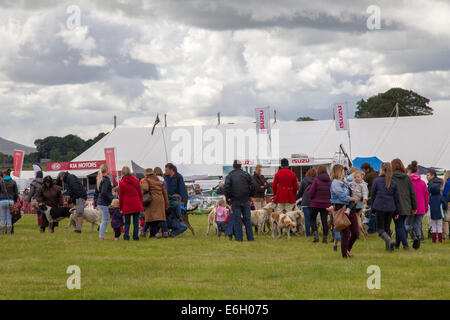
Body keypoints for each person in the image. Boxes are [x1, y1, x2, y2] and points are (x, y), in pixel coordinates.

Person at [330, 164, 358, 258]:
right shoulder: (335, 183)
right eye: (342, 170)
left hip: (350, 208)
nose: (344, 172)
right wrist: (352, 199)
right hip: (341, 209)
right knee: (345, 233)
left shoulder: (344, 180)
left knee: (355, 232)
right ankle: (344, 255)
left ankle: (347, 250)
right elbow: (341, 196)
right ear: (338, 171)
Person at [224, 160, 256, 242]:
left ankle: (239, 238)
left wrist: (228, 197)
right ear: (241, 165)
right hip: (245, 199)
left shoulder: (230, 175)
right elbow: (254, 184)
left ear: (233, 166)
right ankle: (250, 238)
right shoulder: (246, 174)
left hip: (235, 200)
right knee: (247, 220)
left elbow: (226, 187)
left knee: (237, 219)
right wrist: (250, 194)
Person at [371, 162, 400, 251]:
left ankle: (389, 242)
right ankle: (389, 249)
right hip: (390, 207)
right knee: (387, 228)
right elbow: (396, 198)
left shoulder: (376, 181)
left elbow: (373, 195)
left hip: (379, 206)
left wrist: (373, 209)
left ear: (382, 170)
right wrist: (397, 211)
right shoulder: (393, 182)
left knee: (380, 230)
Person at [391, 159, 417, 251]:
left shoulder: (391, 177)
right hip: (407, 204)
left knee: (399, 225)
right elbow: (412, 193)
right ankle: (397, 244)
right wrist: (414, 207)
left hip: (396, 204)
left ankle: (405, 245)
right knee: (401, 225)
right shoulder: (407, 178)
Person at [406, 161, 429, 250]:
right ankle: (418, 238)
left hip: (411, 206)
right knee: (418, 224)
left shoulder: (407, 182)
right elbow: (426, 195)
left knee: (407, 224)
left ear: (409, 170)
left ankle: (413, 236)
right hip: (421, 206)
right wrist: (426, 207)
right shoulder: (422, 182)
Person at [142, 168, 169, 238]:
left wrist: (143, 192)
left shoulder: (146, 180)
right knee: (162, 218)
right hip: (160, 200)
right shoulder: (159, 181)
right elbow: (165, 193)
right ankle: (165, 233)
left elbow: (145, 188)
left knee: (150, 218)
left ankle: (153, 234)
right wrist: (166, 204)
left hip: (151, 201)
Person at [119, 166, 143, 241]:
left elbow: (121, 196)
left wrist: (121, 207)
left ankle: (126, 236)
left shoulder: (122, 182)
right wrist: (140, 202)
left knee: (127, 222)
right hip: (136, 203)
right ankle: (135, 237)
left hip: (127, 204)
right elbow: (140, 193)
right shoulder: (136, 180)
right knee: (136, 222)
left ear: (122, 173)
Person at [309, 165, 332, 243]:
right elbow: (331, 192)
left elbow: (311, 192)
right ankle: (324, 239)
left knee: (312, 219)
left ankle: (316, 236)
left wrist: (312, 199)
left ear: (318, 171)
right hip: (326, 204)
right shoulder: (330, 181)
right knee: (324, 221)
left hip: (315, 203)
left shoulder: (316, 180)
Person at [94, 164, 113, 241]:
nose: (109, 170)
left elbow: (98, 192)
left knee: (105, 220)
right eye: (108, 169)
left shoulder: (100, 179)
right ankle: (101, 236)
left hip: (101, 202)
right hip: (104, 202)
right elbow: (104, 192)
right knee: (105, 220)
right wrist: (111, 200)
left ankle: (101, 236)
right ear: (106, 170)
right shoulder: (106, 180)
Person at [296, 167, 316, 237]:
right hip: (314, 202)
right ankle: (314, 233)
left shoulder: (304, 180)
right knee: (313, 219)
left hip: (305, 202)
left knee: (307, 219)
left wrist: (296, 198)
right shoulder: (316, 180)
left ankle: (308, 234)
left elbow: (300, 191)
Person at [361, 162, 379, 234]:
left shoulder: (369, 176)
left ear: (367, 169)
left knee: (372, 213)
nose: (363, 172)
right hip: (376, 196)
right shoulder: (375, 173)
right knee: (374, 213)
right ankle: (376, 228)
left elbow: (362, 182)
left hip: (371, 196)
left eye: (363, 170)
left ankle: (371, 229)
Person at [0, 169, 19, 235]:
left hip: (2, 200)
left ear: (4, 174)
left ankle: (1, 232)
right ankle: (8, 233)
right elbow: (16, 193)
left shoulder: (1, 181)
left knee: (2, 217)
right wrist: (15, 201)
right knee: (9, 217)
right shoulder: (13, 182)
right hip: (10, 200)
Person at [441, 170, 450, 239]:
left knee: (446, 219)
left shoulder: (447, 183)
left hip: (448, 202)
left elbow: (445, 194)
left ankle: (446, 234)